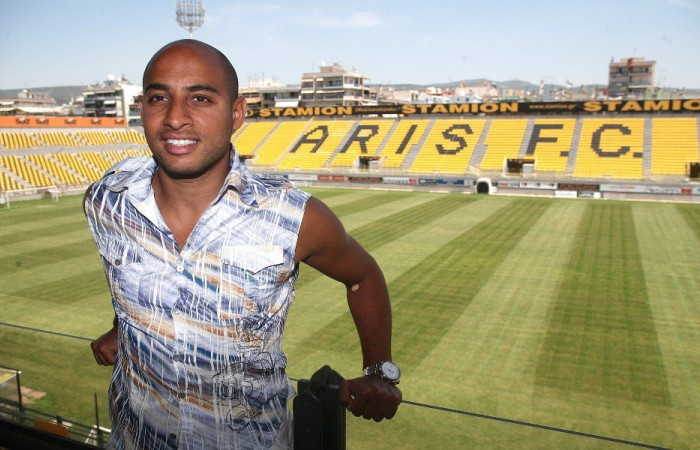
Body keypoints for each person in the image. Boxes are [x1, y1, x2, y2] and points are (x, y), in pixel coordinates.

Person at [85, 39, 401, 449]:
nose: (175, 118)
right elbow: (125, 274)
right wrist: (123, 328)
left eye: (200, 98)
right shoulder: (107, 200)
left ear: (236, 113)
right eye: (159, 98)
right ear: (142, 108)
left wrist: (379, 370)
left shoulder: (294, 216)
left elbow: (363, 276)